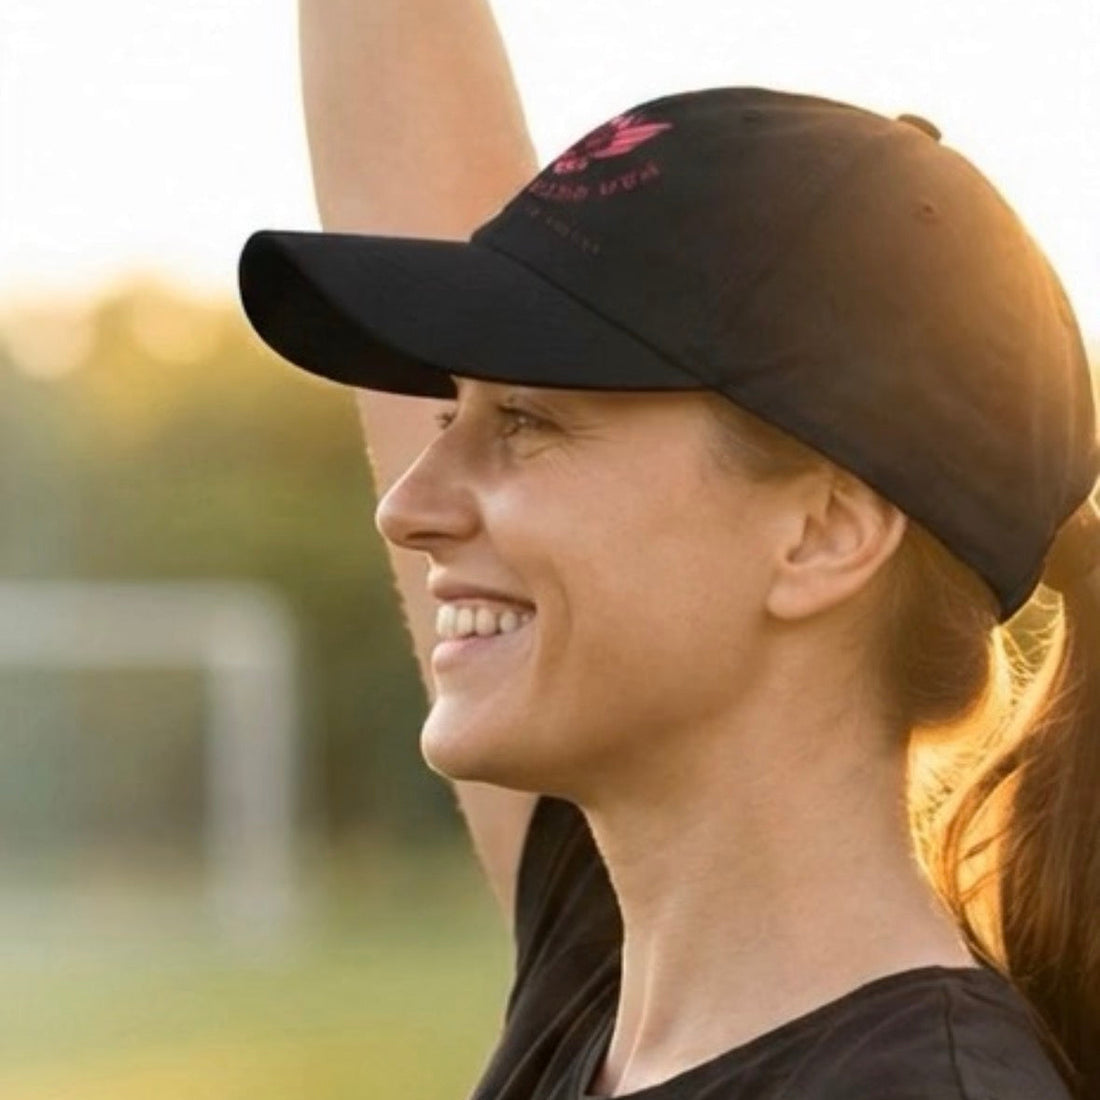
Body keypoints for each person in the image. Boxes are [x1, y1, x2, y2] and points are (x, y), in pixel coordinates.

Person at [237, 2, 1100, 1096]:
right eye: (449, 412)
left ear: (821, 529)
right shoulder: (610, 978)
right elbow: (400, 116)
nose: (408, 504)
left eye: (528, 420)